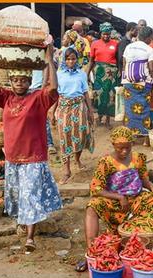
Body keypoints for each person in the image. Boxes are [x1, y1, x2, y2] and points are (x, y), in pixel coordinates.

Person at [0, 39, 62, 252]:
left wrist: (49, 57)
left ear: (28, 82)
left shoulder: (38, 98)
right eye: (15, 80)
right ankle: (24, 225)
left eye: (23, 80)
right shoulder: (5, 97)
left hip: (33, 157)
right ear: (11, 81)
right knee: (18, 196)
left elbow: (53, 87)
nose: (19, 83)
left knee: (30, 196)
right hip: (13, 157)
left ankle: (30, 237)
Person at [76, 126, 153, 272]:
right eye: (120, 148)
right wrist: (119, 197)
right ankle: (90, 253)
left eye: (127, 148)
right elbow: (95, 189)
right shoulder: (106, 162)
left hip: (137, 200)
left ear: (132, 145)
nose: (124, 151)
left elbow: (143, 179)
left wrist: (152, 187)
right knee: (92, 206)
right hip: (115, 203)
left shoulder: (138, 157)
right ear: (113, 145)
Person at [52, 48, 94, 185]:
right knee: (65, 138)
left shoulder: (81, 74)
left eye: (73, 59)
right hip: (64, 108)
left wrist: (90, 111)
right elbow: (56, 96)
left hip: (79, 107)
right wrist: (52, 112)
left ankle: (77, 159)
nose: (71, 61)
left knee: (80, 136)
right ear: (64, 59)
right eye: (68, 59)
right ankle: (66, 170)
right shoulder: (59, 74)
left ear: (77, 59)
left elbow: (86, 93)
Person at [122, 26, 153, 146]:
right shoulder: (149, 49)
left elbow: (124, 65)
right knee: (144, 110)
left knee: (129, 111)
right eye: (151, 38)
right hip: (143, 84)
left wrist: (125, 80)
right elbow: (152, 69)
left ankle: (130, 138)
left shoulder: (128, 47)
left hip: (128, 83)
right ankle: (146, 140)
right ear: (148, 38)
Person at [87, 22, 119, 129]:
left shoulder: (115, 44)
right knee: (99, 95)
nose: (106, 36)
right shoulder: (94, 44)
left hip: (111, 75)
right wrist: (87, 73)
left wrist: (119, 73)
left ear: (110, 34)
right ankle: (99, 118)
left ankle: (108, 120)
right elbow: (91, 61)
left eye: (108, 34)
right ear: (101, 33)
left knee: (110, 96)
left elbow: (119, 61)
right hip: (99, 74)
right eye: (104, 34)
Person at [30, 70, 57, 155]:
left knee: (42, 117)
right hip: (27, 89)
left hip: (38, 88)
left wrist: (43, 86)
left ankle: (49, 144)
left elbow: (46, 67)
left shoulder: (39, 58)